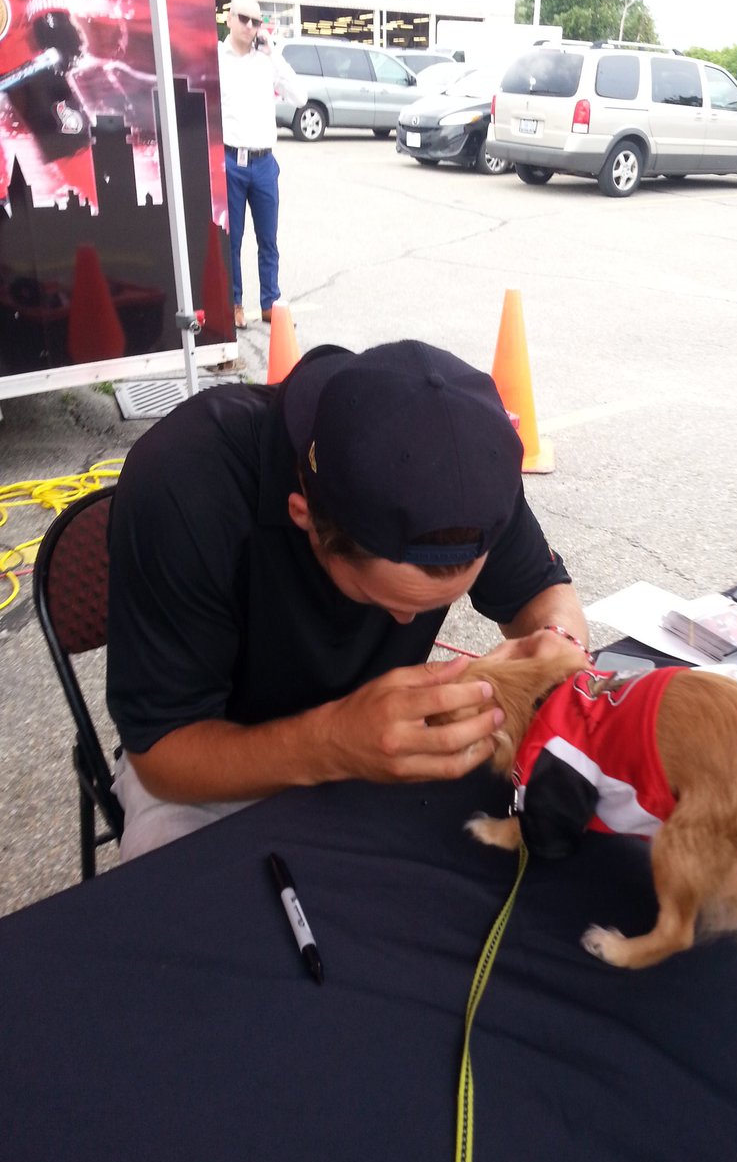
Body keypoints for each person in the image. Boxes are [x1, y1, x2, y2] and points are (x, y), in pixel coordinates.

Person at [106, 339, 589, 860]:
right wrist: (332, 744)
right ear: (305, 517)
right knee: (188, 911)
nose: (409, 622)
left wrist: (557, 640)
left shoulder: (465, 467)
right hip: (210, 761)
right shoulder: (183, 481)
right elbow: (162, 754)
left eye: (439, 601)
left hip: (383, 734)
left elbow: (544, 596)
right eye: (384, 600)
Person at [217, 0, 306, 329]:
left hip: (264, 162)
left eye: (256, 22)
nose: (250, 27)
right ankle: (234, 303)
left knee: (268, 238)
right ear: (229, 18)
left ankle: (270, 301)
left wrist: (275, 55)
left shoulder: (267, 60)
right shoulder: (217, 59)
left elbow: (300, 97)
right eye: (244, 19)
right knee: (232, 240)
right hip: (231, 161)